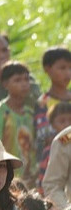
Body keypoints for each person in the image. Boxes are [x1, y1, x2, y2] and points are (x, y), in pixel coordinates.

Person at [0, 61, 38, 185]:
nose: (24, 84)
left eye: (26, 79)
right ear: (5, 84)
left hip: (33, 176)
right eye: (17, 80)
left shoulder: (30, 112)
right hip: (9, 177)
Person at [34, 48, 71, 182]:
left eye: (70, 68)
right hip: (54, 161)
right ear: (47, 69)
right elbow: (47, 137)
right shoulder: (43, 103)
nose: (68, 73)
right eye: (62, 68)